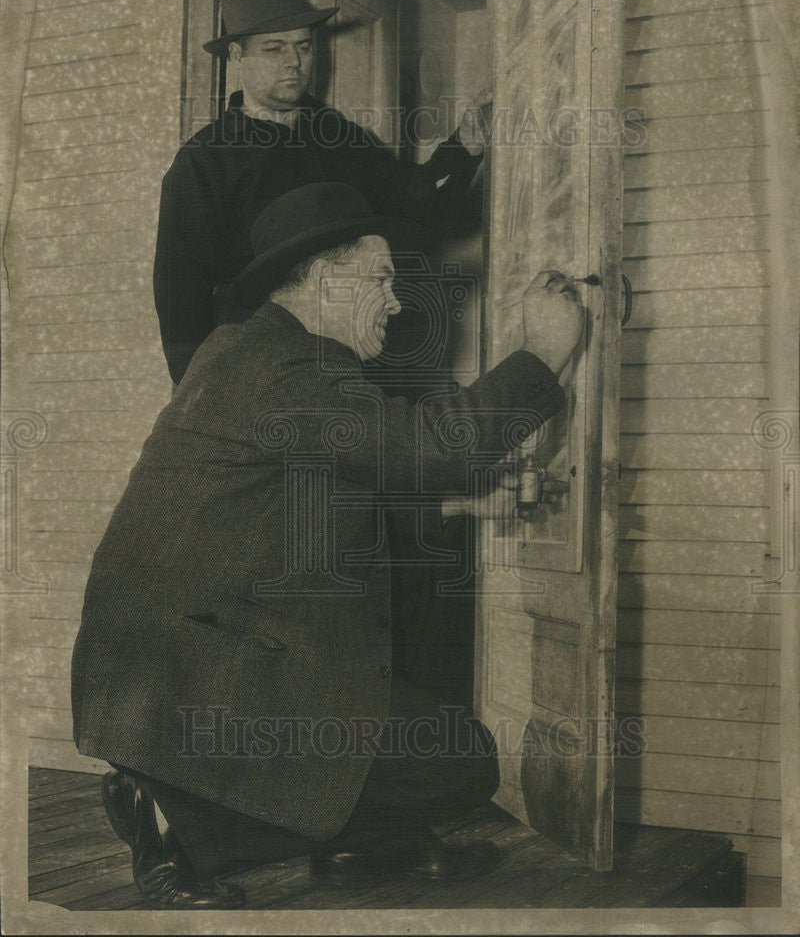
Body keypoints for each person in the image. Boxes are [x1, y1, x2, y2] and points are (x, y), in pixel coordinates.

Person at [73, 182, 584, 909]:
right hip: (192, 675)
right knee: (457, 762)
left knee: (448, 753)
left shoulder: (256, 353)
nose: (399, 302)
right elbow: (428, 444)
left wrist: (458, 498)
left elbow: (317, 494)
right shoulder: (283, 367)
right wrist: (542, 353)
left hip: (195, 656)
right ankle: (172, 817)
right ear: (321, 279)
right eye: (381, 280)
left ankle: (357, 842)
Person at [154, 0, 490, 384]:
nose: (294, 62)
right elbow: (180, 292)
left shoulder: (339, 135)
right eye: (274, 48)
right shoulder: (205, 158)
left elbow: (416, 207)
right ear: (237, 56)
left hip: (356, 361)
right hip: (262, 370)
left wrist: (464, 148)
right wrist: (201, 392)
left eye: (303, 46)